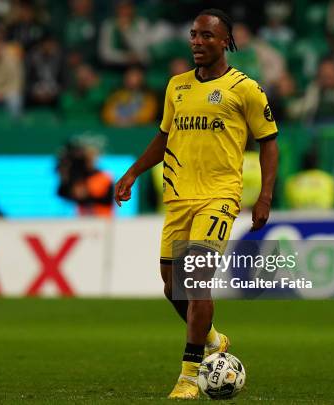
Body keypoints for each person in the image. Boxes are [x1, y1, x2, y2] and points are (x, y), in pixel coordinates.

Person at [114, 9, 279, 399]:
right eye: (193, 35)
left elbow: (269, 141)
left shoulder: (245, 89)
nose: (197, 42)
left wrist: (265, 196)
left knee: (197, 282)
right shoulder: (176, 87)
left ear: (226, 42)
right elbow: (164, 136)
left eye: (207, 36)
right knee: (173, 287)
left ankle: (189, 376)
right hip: (179, 198)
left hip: (219, 197)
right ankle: (213, 339)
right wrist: (133, 172)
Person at [57, 139, 114, 217]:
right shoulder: (80, 176)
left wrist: (86, 195)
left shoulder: (104, 176)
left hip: (103, 218)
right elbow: (62, 193)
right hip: (83, 218)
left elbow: (108, 200)